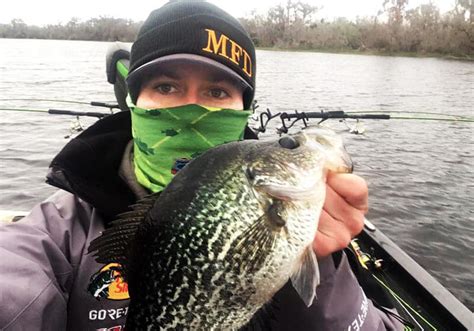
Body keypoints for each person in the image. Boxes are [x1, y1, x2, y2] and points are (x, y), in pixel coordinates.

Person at [0, 1, 404, 330]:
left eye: (216, 90)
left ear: (244, 112)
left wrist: (322, 262)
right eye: (165, 86)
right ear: (133, 100)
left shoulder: (308, 218)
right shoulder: (57, 231)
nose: (191, 107)